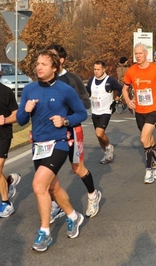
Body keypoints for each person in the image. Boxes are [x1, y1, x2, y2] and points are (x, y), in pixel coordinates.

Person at [17, 49, 87, 251]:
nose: (39, 67)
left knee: (38, 185)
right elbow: (22, 120)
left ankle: (44, 232)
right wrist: (25, 110)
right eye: (38, 63)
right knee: (52, 188)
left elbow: (82, 113)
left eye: (44, 64)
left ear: (54, 68)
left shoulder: (65, 90)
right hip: (38, 146)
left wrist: (65, 120)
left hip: (59, 143)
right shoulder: (30, 89)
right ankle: (74, 216)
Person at [46, 44, 102, 222]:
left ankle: (93, 195)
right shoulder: (44, 81)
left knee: (77, 168)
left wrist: (67, 108)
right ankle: (56, 205)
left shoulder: (72, 79)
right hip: (50, 132)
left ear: (61, 60)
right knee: (48, 171)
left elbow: (85, 104)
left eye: (52, 56)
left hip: (71, 129)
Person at [122, 43, 156, 184]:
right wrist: (128, 101)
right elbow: (124, 88)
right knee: (149, 140)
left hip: (154, 109)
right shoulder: (131, 70)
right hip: (140, 111)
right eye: (136, 54)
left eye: (140, 53)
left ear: (146, 54)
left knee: (143, 139)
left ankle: (149, 170)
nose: (137, 56)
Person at [86, 60, 122, 164]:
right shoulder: (91, 80)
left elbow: (121, 89)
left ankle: (109, 147)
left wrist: (117, 98)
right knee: (99, 136)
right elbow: (87, 92)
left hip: (106, 110)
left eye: (98, 69)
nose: (96, 71)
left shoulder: (110, 80)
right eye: (94, 69)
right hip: (95, 111)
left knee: (99, 132)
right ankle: (107, 154)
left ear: (103, 69)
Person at [0, 83, 21, 218]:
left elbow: (16, 115)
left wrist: (5, 120)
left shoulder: (6, 92)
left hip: (3, 135)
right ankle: (7, 181)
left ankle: (6, 203)